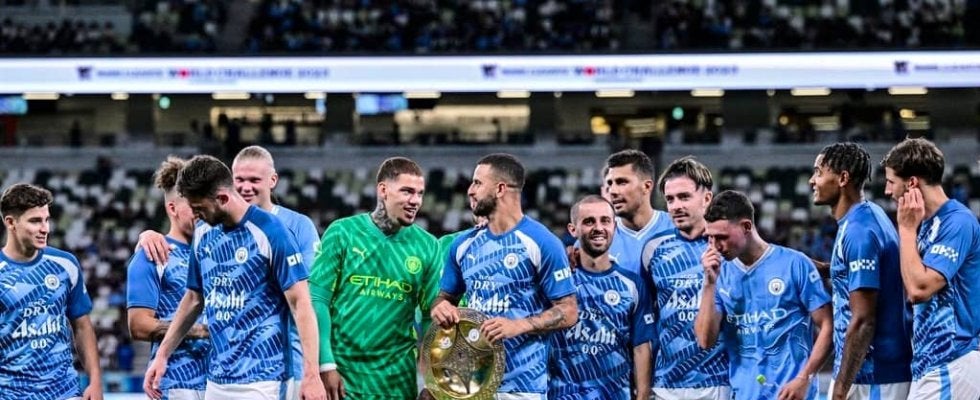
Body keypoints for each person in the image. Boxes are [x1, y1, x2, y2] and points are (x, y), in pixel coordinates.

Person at [142, 155, 325, 400]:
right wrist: (163, 355)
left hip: (264, 378)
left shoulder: (272, 231)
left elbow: (301, 303)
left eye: (199, 208)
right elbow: (194, 298)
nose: (196, 215)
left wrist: (312, 373)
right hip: (217, 379)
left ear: (222, 198)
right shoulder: (203, 232)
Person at [431, 153, 578, 399]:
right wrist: (441, 308)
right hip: (471, 383)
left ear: (500, 189)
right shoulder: (463, 245)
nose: (470, 190)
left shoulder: (542, 242)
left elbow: (569, 311)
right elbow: (444, 298)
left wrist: (519, 325)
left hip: (522, 386)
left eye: (478, 183)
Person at [309, 157, 442, 400]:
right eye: (407, 191)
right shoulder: (342, 232)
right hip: (342, 380)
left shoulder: (428, 246)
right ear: (383, 190)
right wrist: (325, 364)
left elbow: (431, 318)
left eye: (420, 193)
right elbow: (317, 300)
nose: (415, 201)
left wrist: (433, 381)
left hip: (397, 384)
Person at [694, 190, 832, 400]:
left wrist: (805, 377)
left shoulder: (795, 264)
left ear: (746, 226)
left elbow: (828, 326)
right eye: (710, 237)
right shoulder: (718, 273)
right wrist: (709, 284)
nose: (715, 246)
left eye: (721, 237)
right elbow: (705, 341)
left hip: (793, 395)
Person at [809, 143, 912, 399]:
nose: (812, 180)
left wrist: (840, 389)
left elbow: (864, 320)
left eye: (818, 172)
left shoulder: (859, 232)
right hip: (870, 373)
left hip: (873, 376)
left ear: (843, 178)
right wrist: (826, 270)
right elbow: (870, 276)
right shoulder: (868, 215)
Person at [881, 138, 980, 399]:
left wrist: (905, 229)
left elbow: (919, 289)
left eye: (891, 182)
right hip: (931, 363)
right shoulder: (925, 225)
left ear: (912, 183)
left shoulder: (957, 222)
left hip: (953, 360)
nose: (887, 191)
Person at [140, 145, 319, 272]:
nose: (246, 187)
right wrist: (149, 236)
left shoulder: (298, 225)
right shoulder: (215, 224)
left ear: (272, 180)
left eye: (254, 180)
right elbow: (184, 246)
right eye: (240, 180)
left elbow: (311, 286)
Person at [0, 183, 103, 400]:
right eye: (35, 221)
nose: (45, 228)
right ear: (10, 222)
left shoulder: (65, 264)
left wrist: (95, 381)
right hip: (11, 394)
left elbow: (82, 326)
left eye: (46, 220)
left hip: (64, 391)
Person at [641, 157, 730, 399]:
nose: (676, 206)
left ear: (707, 198)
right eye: (670, 199)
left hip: (717, 382)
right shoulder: (654, 249)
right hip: (666, 385)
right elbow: (646, 317)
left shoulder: (728, 248)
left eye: (684, 197)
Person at [549, 195, 654, 400]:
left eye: (605, 221)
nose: (598, 228)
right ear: (573, 229)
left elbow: (641, 348)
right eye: (589, 221)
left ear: (614, 226)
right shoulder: (557, 279)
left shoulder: (633, 285)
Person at [127, 157, 210, 400]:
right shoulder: (153, 254)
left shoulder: (216, 252)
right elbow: (138, 325)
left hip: (220, 381)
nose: (201, 210)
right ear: (172, 209)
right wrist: (199, 331)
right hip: (177, 383)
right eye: (193, 205)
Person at [603, 149, 674, 272]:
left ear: (646, 186)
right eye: (610, 183)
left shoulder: (675, 228)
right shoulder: (600, 235)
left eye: (622, 182)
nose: (613, 191)